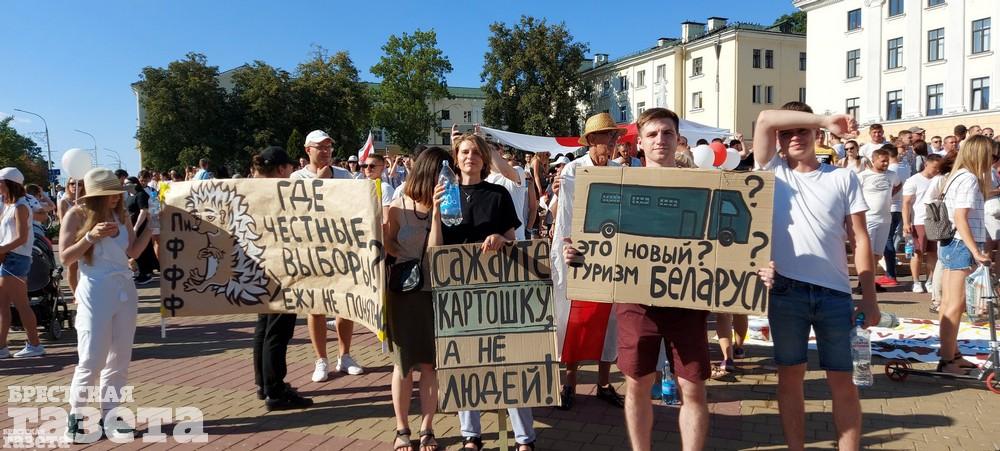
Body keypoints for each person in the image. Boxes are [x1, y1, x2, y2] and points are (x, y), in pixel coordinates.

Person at [562, 107, 727, 451]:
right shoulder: (620, 184)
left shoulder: (704, 184)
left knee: (693, 387)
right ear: (639, 142)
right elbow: (600, 238)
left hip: (687, 300)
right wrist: (578, 254)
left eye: (667, 133)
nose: (660, 140)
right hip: (636, 301)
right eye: (652, 134)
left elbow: (725, 244)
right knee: (637, 385)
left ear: (678, 139)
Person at [753, 102, 879, 451]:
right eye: (787, 133)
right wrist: (823, 119)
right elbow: (765, 119)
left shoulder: (842, 177)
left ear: (816, 136)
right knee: (790, 377)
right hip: (785, 291)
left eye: (803, 131)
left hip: (835, 293)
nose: (795, 137)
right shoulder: (773, 171)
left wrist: (869, 297)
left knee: (843, 381)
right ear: (779, 140)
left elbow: (860, 238)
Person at [429, 133, 533, 451]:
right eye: (464, 152)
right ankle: (470, 435)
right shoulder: (445, 194)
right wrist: (435, 213)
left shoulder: (497, 194)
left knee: (510, 361)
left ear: (484, 159)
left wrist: (501, 240)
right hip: (458, 293)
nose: (470, 157)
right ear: (455, 157)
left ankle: (524, 438)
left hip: (497, 291)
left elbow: (513, 240)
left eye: (476, 152)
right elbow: (435, 250)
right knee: (465, 364)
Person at [61, 167, 153, 441]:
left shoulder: (121, 214)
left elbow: (133, 251)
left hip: (124, 288)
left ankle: (111, 415)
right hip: (95, 290)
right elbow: (66, 257)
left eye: (117, 192)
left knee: (120, 357)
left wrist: (152, 228)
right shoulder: (76, 215)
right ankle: (76, 418)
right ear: (95, 195)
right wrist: (90, 237)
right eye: (110, 193)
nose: (116, 197)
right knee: (92, 358)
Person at [550, 113, 624, 412]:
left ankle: (604, 383)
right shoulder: (573, 170)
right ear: (592, 140)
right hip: (578, 253)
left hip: (610, 254)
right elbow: (566, 215)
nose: (614, 141)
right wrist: (571, 247)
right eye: (608, 135)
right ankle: (569, 382)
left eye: (615, 136)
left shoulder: (621, 171)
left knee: (611, 318)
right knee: (576, 318)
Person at [386, 147, 450, 451]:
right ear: (429, 173)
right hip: (403, 294)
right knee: (403, 364)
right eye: (443, 173)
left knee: (430, 365)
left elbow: (436, 251)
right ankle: (402, 428)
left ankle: (427, 427)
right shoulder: (397, 207)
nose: (447, 179)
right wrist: (395, 249)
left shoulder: (449, 208)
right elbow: (387, 244)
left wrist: (436, 213)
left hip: (434, 293)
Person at [291, 130, 364, 382]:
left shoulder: (344, 175)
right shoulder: (297, 178)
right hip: (313, 251)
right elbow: (295, 213)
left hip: (341, 249)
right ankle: (321, 359)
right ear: (307, 150)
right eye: (320, 147)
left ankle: (345, 355)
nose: (325, 151)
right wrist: (317, 184)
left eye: (328, 147)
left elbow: (356, 206)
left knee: (345, 304)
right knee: (316, 306)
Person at [249, 147, 313, 411]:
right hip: (281, 269)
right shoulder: (279, 193)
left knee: (264, 326)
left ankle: (264, 383)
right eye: (289, 167)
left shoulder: (250, 190)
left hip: (258, 267)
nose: (292, 171)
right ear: (281, 169)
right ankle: (275, 390)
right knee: (278, 330)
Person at [937, 135, 993, 374]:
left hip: (953, 243)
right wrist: (976, 251)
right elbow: (961, 217)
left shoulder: (957, 176)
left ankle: (952, 354)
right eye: (991, 155)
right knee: (955, 304)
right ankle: (948, 360)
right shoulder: (969, 178)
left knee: (949, 303)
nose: (993, 160)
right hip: (961, 244)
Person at [0, 168, 44, 358]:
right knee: (4, 305)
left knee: (21, 304)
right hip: (9, 257)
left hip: (15, 258)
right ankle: (2, 347)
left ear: (10, 184)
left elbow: (21, 238)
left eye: (0, 182)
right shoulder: (8, 205)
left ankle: (35, 345)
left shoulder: (20, 206)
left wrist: (2, 249)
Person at [859, 146, 902, 290]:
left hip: (885, 219)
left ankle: (869, 282)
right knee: (866, 253)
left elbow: (898, 185)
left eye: (887, 161)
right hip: (868, 219)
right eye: (883, 161)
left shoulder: (892, 175)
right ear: (874, 160)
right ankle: (863, 283)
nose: (886, 164)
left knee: (877, 254)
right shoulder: (863, 176)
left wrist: (888, 196)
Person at [902, 154, 943, 294]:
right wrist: (906, 222)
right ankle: (916, 282)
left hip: (937, 220)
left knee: (933, 253)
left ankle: (930, 281)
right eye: (934, 167)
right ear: (926, 164)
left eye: (939, 168)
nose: (937, 170)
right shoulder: (913, 180)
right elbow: (906, 203)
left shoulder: (940, 179)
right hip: (919, 220)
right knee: (917, 252)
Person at [124, 176, 157, 285]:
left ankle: (146, 273)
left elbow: (143, 211)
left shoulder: (141, 195)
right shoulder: (129, 196)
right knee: (136, 250)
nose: (124, 185)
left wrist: (136, 227)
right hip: (132, 226)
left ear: (134, 184)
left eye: (127, 183)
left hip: (140, 226)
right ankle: (140, 272)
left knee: (143, 249)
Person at [361, 154, 394, 221]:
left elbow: (386, 220)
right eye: (365, 166)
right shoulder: (360, 185)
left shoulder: (385, 188)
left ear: (382, 168)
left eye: (372, 166)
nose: (368, 168)